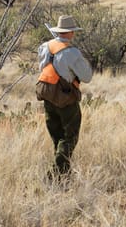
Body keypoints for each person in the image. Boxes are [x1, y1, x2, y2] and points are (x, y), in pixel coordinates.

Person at [37, 15, 92, 180]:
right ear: (70, 33)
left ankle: (64, 175)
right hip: (65, 98)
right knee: (70, 137)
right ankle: (55, 173)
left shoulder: (45, 46)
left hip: (47, 95)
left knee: (58, 137)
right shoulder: (72, 52)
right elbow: (87, 76)